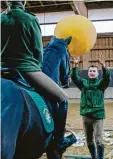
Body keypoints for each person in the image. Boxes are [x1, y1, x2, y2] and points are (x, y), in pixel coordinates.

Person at [1, 0, 76, 150]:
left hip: (2, 68)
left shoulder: (1, 19)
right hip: (27, 69)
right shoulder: (30, 18)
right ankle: (59, 140)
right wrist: (37, 63)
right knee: (62, 98)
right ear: (23, 1)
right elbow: (37, 50)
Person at [70, 54, 111, 159]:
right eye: (90, 71)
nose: (92, 73)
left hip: (98, 116)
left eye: (94, 71)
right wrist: (75, 66)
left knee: (99, 140)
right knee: (89, 140)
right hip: (86, 116)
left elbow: (107, 77)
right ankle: (94, 157)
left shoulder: (101, 84)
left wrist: (104, 66)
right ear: (88, 74)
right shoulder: (83, 84)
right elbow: (74, 77)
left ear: (97, 73)